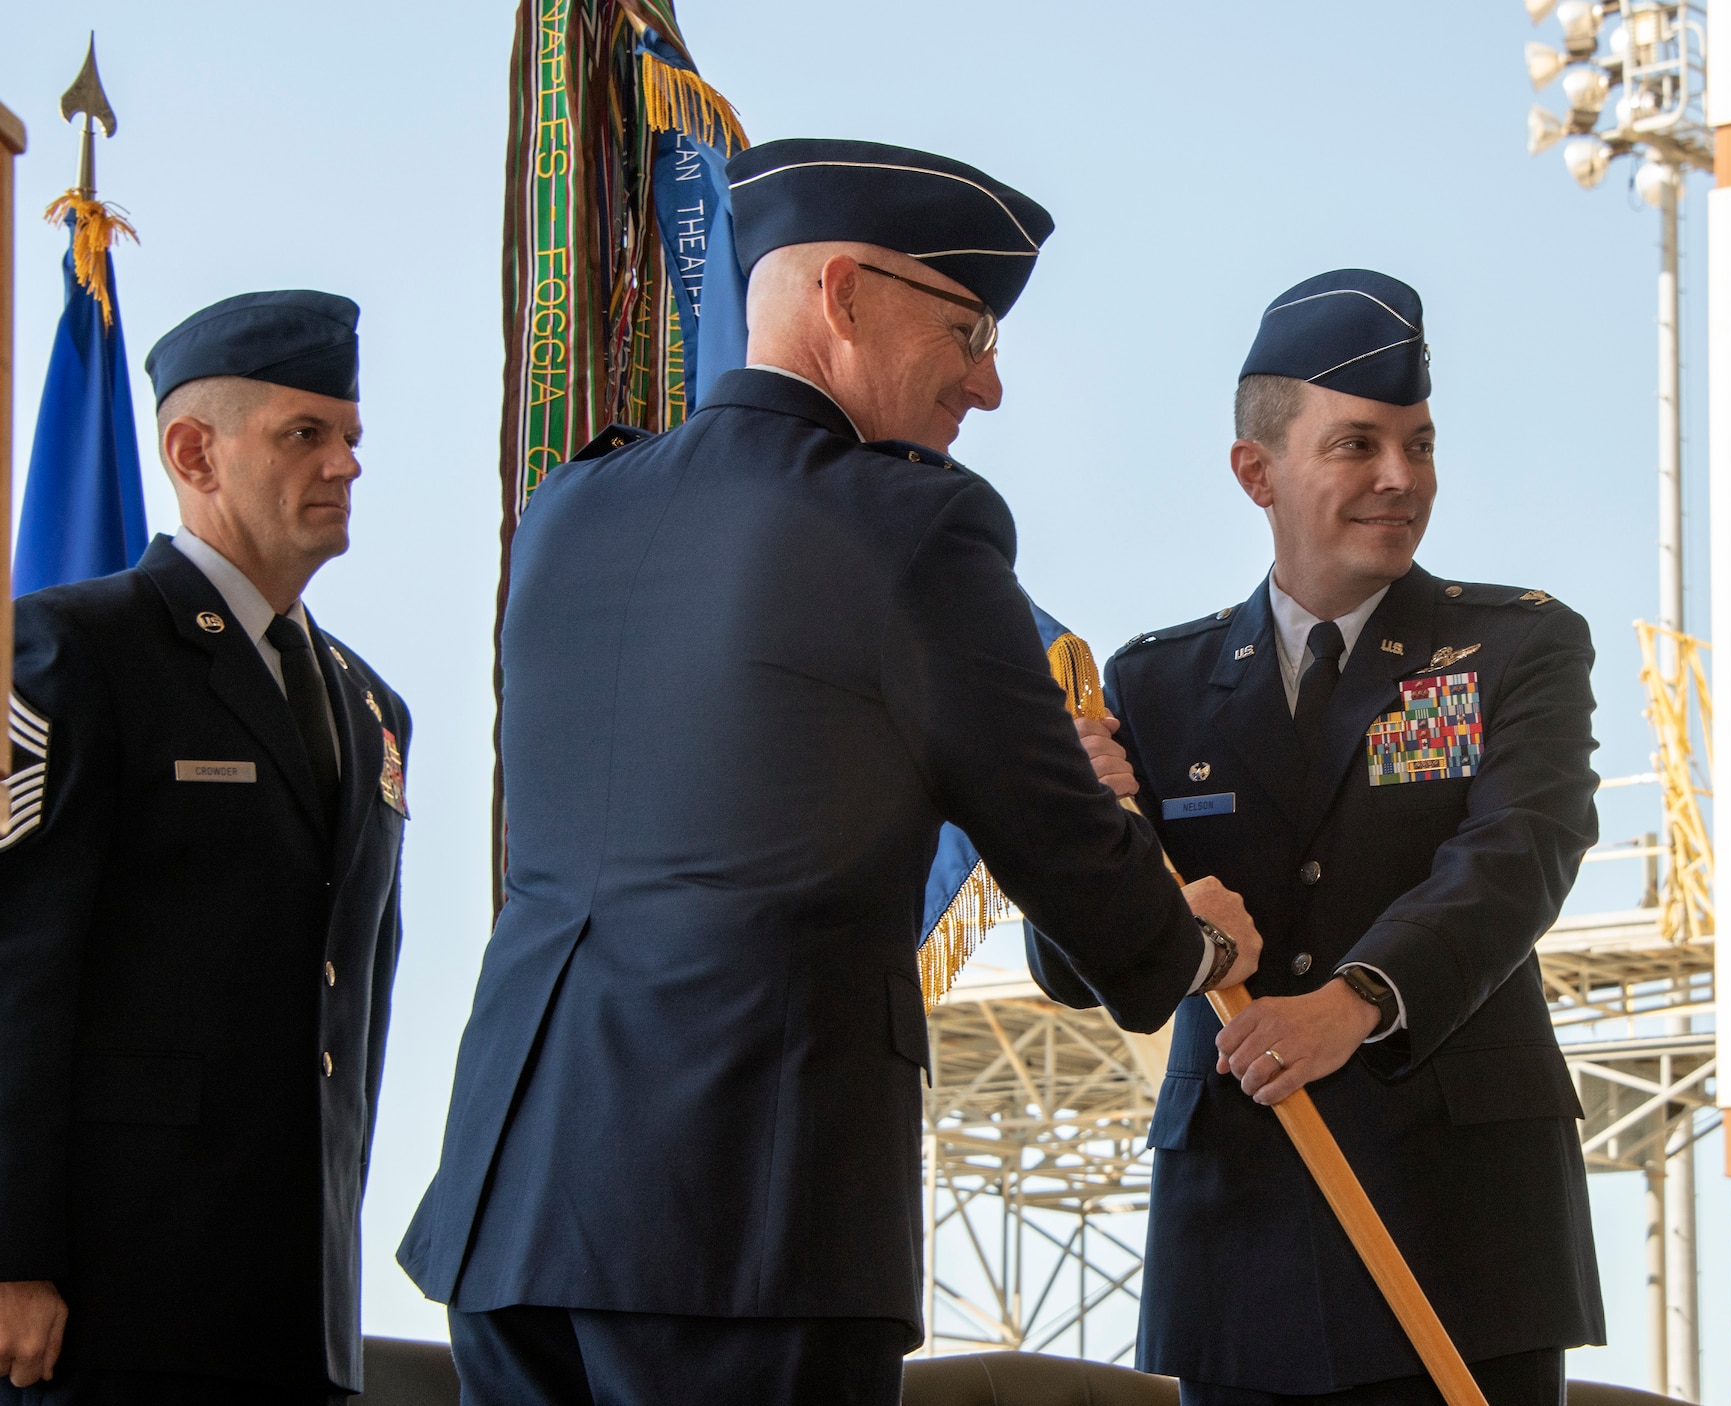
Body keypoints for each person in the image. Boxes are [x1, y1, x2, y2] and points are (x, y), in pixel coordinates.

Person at [396, 137, 1263, 1406]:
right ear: (844, 294)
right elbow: (1061, 845)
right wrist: (1188, 943)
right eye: (967, 328)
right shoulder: (911, 524)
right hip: (742, 1213)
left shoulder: (574, 509)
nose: (988, 384)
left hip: (516, 1195)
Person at [1029, 269, 1606, 1406]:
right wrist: (1076, 832)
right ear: (1257, 471)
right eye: (1356, 445)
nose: (1400, 478)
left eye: (1418, 443)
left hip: (1461, 1232)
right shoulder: (1155, 682)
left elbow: (1517, 855)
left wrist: (1355, 1000)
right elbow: (1077, 970)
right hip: (1240, 1237)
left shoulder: (1512, 648)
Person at [0, 291, 411, 1403]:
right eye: (304, 434)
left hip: (297, 1308)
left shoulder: (373, 708)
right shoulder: (76, 649)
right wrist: (11, 1251)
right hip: (111, 1302)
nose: (346, 464)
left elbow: (350, 1011)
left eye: (350, 437)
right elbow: (18, 965)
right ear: (194, 452)